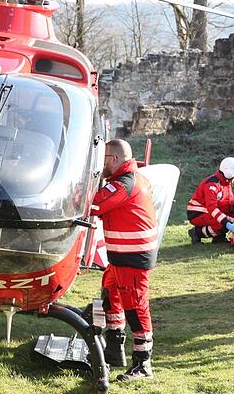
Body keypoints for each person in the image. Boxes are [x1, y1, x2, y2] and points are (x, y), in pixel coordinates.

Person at [90, 139, 158, 381]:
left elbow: (94, 204)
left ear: (114, 159)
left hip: (132, 257)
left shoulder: (123, 184)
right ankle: (114, 349)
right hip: (122, 255)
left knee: (135, 307)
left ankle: (143, 365)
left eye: (104, 159)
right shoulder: (132, 179)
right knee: (112, 295)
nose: (101, 164)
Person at [187, 157, 234, 243]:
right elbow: (212, 208)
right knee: (221, 223)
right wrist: (226, 223)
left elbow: (231, 200)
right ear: (229, 172)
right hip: (197, 213)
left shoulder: (225, 182)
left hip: (207, 210)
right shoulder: (212, 185)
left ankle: (219, 237)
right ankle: (196, 232)